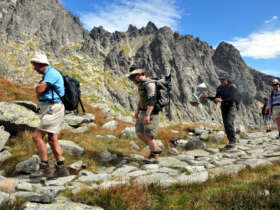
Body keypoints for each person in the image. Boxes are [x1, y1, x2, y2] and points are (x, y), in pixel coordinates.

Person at [29, 53, 69, 179]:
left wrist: (38, 89)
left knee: (36, 136)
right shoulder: (48, 74)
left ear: (40, 64)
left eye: (34, 65)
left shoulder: (51, 73)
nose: (34, 68)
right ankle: (61, 169)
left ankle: (44, 167)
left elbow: (40, 90)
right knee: (52, 139)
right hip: (52, 108)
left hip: (53, 108)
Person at [127, 66, 162, 161]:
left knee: (148, 135)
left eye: (133, 76)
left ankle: (154, 156)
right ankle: (156, 149)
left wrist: (147, 115)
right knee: (139, 133)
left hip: (151, 113)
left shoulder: (150, 84)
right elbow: (142, 99)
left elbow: (152, 101)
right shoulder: (141, 85)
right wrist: (137, 110)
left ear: (139, 75)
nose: (133, 79)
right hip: (143, 111)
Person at [202, 73, 239, 150]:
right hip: (224, 107)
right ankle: (230, 142)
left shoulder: (232, 87)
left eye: (223, 79)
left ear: (226, 79)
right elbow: (216, 98)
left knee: (229, 122)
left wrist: (222, 100)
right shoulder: (219, 88)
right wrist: (208, 97)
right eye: (220, 80)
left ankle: (233, 141)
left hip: (232, 106)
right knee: (226, 125)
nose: (221, 81)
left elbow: (233, 98)